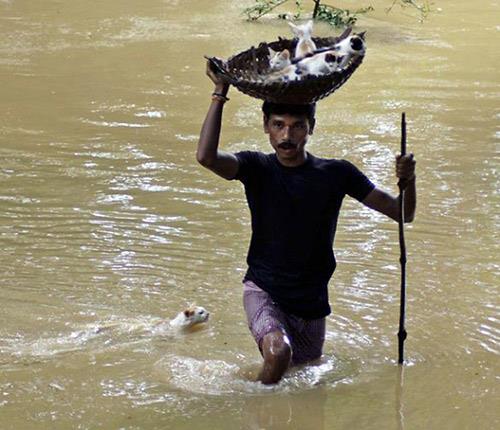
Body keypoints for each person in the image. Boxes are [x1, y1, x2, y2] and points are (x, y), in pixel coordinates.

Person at [197, 61, 416, 384]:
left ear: (311, 127)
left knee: (302, 375)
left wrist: (409, 179)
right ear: (266, 126)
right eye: (278, 125)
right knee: (278, 353)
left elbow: (402, 213)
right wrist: (220, 92)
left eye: (297, 126)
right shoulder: (256, 167)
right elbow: (207, 157)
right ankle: (258, 408)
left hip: (311, 300)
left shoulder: (337, 173)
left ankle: (248, 387)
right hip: (264, 289)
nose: (287, 136)